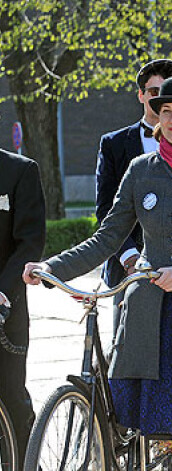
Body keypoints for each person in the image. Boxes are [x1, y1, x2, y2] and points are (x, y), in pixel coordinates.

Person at [24, 76, 172, 471]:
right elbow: (107, 238)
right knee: (153, 426)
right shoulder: (139, 169)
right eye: (166, 111)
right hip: (150, 315)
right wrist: (53, 267)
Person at [96, 58, 172, 338]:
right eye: (154, 93)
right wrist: (129, 257)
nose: (160, 100)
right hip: (128, 265)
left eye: (168, 93)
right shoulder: (114, 144)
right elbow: (106, 209)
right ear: (141, 95)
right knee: (127, 348)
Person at [0, 150, 46, 467]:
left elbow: (30, 242)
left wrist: (2, 290)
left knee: (10, 396)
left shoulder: (19, 171)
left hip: (6, 308)